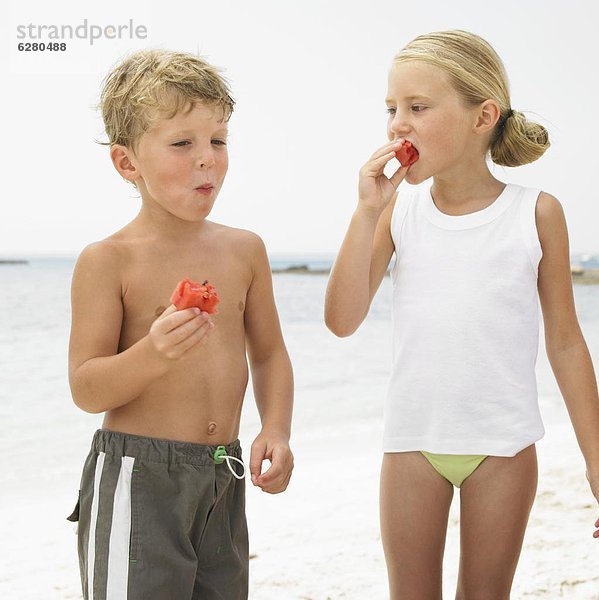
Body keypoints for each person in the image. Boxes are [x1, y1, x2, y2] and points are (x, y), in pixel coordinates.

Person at [325, 30, 599, 599]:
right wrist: (365, 211)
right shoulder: (399, 208)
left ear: (483, 116)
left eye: (417, 108)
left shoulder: (536, 213)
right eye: (391, 109)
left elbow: (567, 345)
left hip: (504, 448)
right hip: (412, 445)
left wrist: (597, 465)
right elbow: (342, 318)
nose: (398, 123)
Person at [67, 48, 294, 600]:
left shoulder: (245, 250)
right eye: (181, 143)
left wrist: (276, 429)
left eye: (217, 140)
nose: (207, 159)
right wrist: (153, 353)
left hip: (223, 471)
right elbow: (85, 386)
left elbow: (268, 354)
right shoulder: (109, 259)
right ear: (127, 163)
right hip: (138, 477)